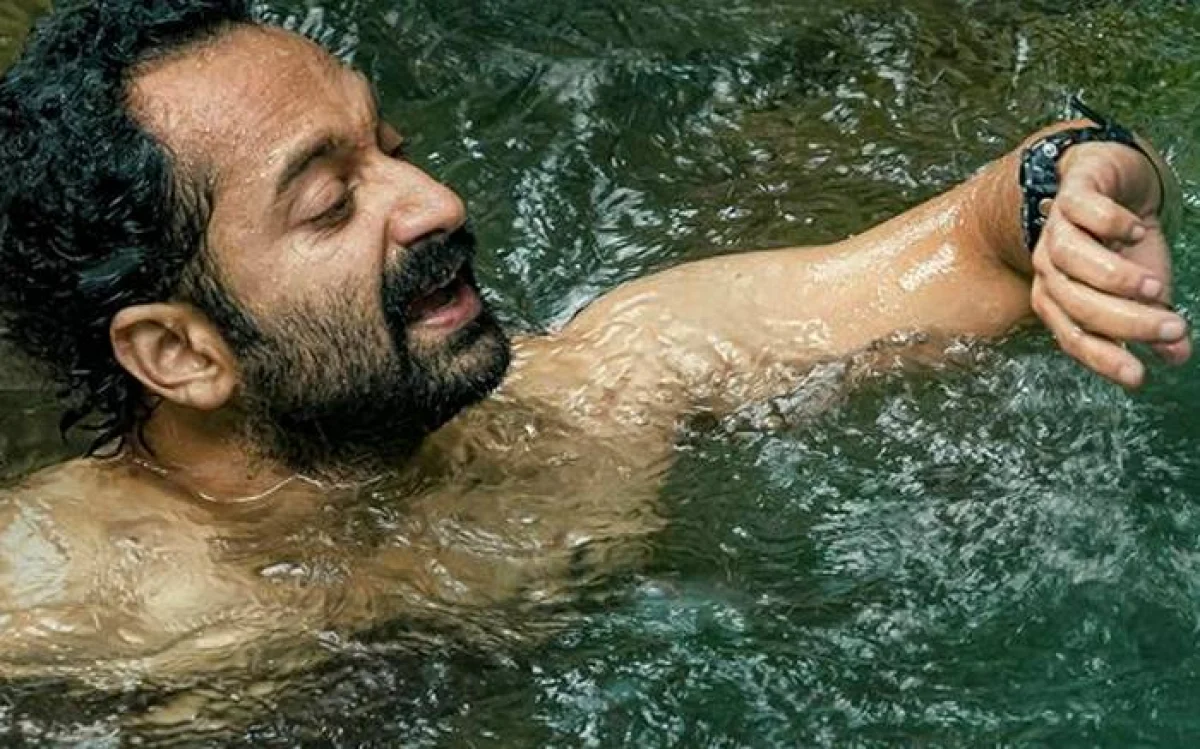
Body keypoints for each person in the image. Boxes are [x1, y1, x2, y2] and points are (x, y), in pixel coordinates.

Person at [0, 0, 1190, 684]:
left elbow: (972, 239)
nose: (435, 202)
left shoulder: (589, 404)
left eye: (391, 145)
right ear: (179, 353)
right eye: (331, 202)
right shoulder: (66, 601)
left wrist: (1073, 191)